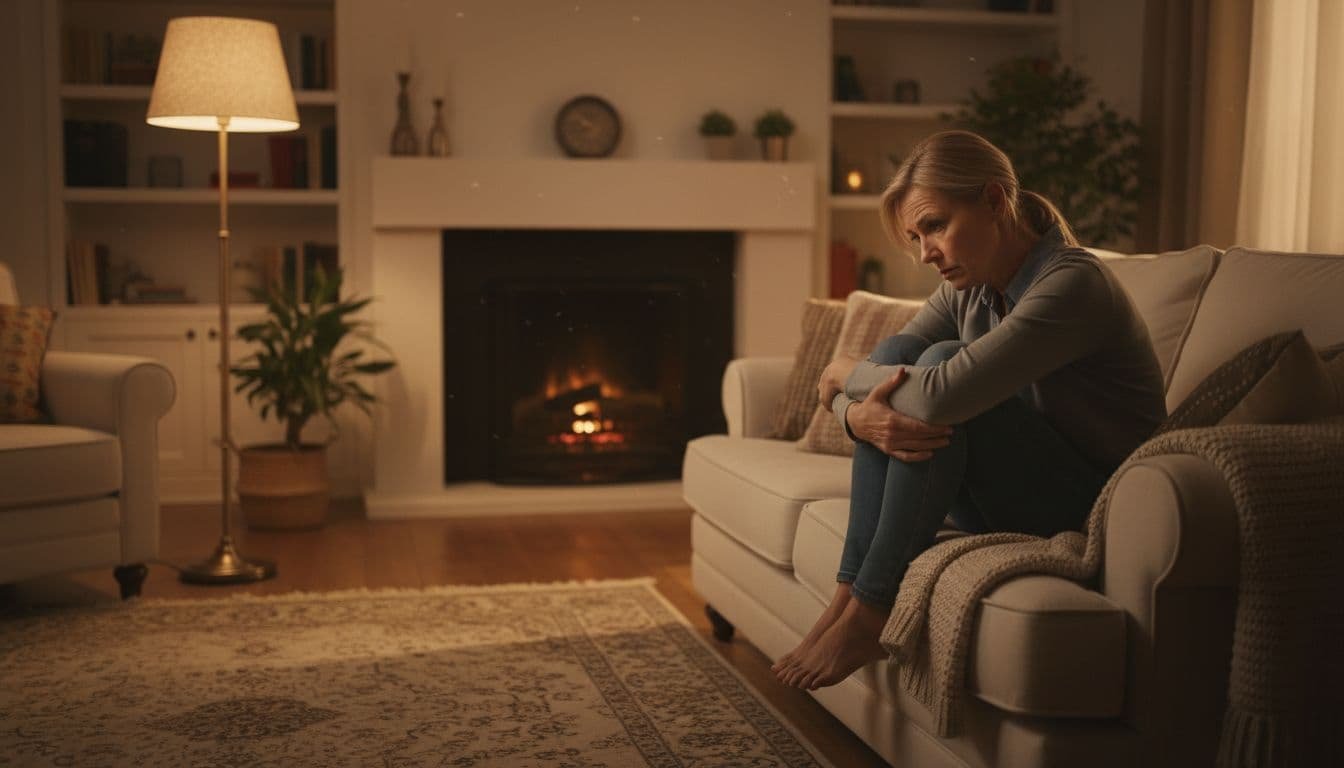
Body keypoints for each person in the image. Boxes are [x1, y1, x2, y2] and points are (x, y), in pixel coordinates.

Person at [772, 130, 1166, 690]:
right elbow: (891, 366)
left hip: (1093, 506)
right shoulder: (971, 285)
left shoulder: (1074, 283)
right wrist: (853, 415)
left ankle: (870, 608)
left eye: (935, 225)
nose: (926, 252)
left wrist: (841, 376)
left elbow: (937, 396)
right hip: (1008, 494)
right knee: (908, 354)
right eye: (915, 236)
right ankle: (847, 595)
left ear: (994, 201)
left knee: (942, 361)